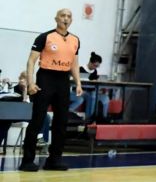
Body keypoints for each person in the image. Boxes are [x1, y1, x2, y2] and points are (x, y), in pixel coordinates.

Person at [19, 9, 83, 172]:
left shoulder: (75, 40)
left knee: (61, 122)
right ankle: (27, 161)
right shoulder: (45, 37)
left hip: (63, 80)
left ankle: (54, 160)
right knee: (38, 120)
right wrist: (31, 83)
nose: (65, 19)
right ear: (56, 19)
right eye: (63, 16)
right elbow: (31, 61)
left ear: (71, 20)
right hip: (45, 78)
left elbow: (74, 64)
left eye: (69, 16)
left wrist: (78, 83)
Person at [78, 52, 109, 121]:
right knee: (92, 95)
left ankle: (104, 118)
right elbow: (77, 84)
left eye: (97, 66)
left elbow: (94, 84)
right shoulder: (80, 69)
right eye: (95, 65)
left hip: (92, 91)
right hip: (82, 92)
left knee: (105, 98)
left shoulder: (95, 71)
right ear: (90, 62)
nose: (96, 68)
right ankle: (89, 119)